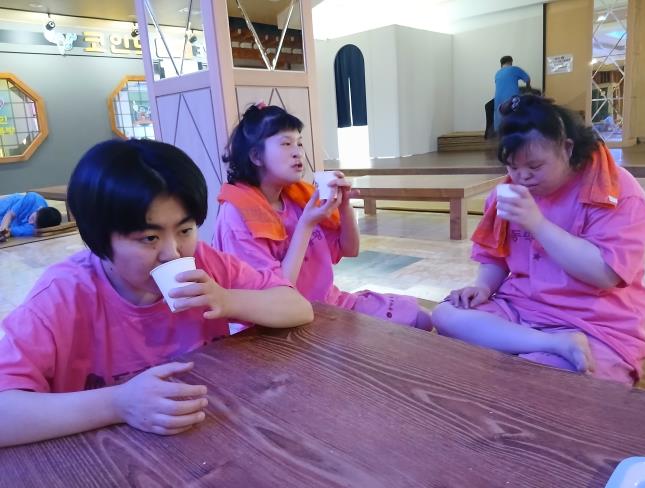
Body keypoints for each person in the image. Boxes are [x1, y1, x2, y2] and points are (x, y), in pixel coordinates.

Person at [0, 139, 313, 447]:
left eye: (185, 230)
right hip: (105, 456)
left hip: (209, 437)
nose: (172, 253)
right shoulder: (64, 295)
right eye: (149, 238)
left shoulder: (206, 264)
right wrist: (117, 404)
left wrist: (228, 300)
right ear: (99, 239)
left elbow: (298, 307)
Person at [432, 95, 645, 385]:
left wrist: (537, 224)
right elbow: (495, 256)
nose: (522, 177)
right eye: (512, 167)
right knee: (445, 314)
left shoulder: (617, 190)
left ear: (567, 148)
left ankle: (538, 350)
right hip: (520, 308)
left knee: (544, 377)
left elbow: (605, 274)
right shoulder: (508, 193)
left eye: (535, 166)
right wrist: (482, 287)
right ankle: (550, 344)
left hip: (594, 322)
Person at [213, 104, 433, 331]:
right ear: (256, 156)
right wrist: (306, 224)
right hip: (282, 322)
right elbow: (277, 295)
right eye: (286, 144)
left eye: (299, 143)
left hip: (328, 303)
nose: (298, 152)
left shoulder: (297, 198)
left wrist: (345, 206)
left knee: (420, 318)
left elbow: (350, 249)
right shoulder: (238, 215)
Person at [494, 55, 531, 132]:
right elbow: (527, 79)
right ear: (511, 62)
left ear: (501, 64)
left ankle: (501, 133)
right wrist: (528, 88)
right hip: (512, 98)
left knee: (500, 118)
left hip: (498, 100)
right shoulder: (514, 69)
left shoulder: (497, 73)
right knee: (516, 116)